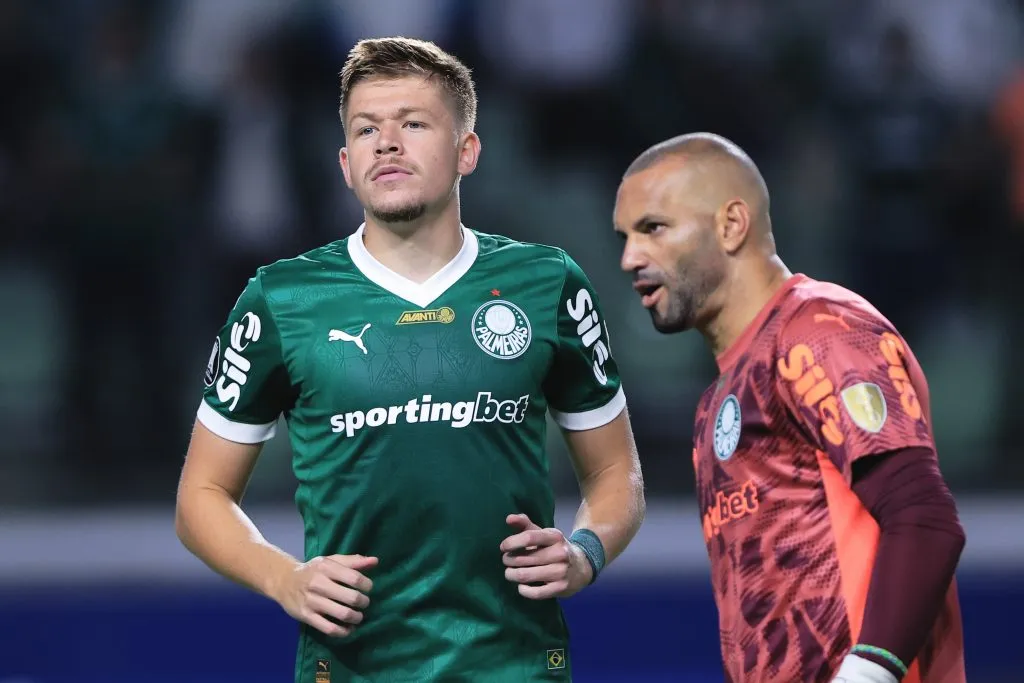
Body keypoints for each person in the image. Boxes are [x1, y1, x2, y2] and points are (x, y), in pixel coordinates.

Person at [175, 37, 645, 682]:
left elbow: (616, 469)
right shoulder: (280, 299)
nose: (386, 142)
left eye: (414, 123)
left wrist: (585, 551)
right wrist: (284, 578)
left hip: (515, 664)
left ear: (467, 151)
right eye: (366, 128)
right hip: (351, 668)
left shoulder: (547, 283)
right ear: (345, 162)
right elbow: (201, 496)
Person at [612, 132, 965, 683]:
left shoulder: (821, 333)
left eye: (653, 228)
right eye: (626, 237)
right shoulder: (715, 403)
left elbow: (924, 519)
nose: (630, 257)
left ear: (731, 225)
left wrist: (868, 674)